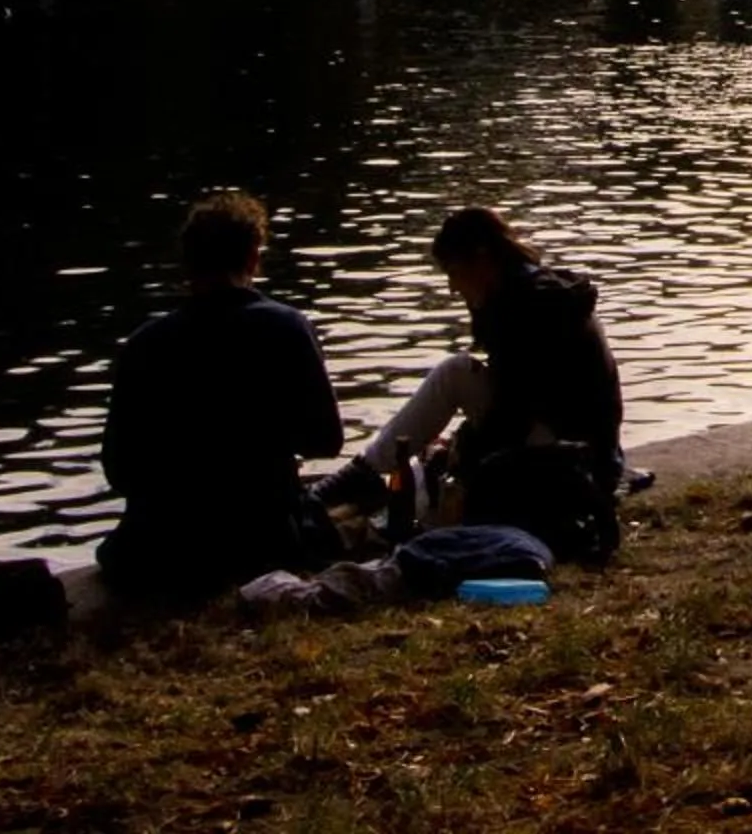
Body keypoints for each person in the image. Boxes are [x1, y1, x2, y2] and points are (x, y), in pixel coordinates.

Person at [312, 207, 626, 558]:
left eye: (453, 272)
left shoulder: (527, 307)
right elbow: (519, 395)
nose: (451, 287)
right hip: (579, 441)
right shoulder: (529, 290)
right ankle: (369, 475)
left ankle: (363, 478)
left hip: (577, 457)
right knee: (456, 380)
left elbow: (514, 414)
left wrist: (464, 447)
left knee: (454, 380)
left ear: (481, 258)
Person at [99, 191, 343, 597]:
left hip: (159, 550)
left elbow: (118, 470)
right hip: (258, 542)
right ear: (252, 257)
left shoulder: (144, 344)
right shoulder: (286, 328)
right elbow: (327, 440)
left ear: (189, 264)